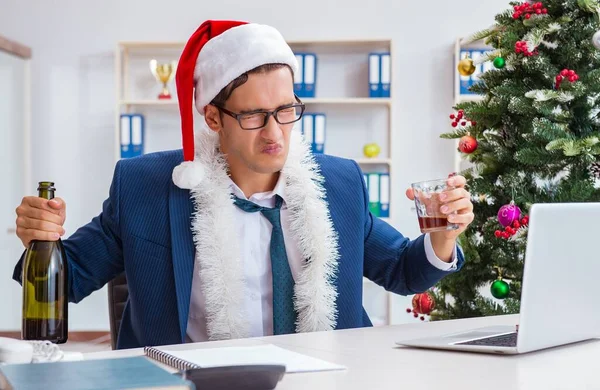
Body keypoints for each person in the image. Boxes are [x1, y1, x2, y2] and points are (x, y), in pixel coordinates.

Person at [12, 20, 474, 349]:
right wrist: (40, 240)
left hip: (324, 377)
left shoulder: (339, 182)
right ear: (213, 117)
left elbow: (402, 271)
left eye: (287, 110)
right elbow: (67, 279)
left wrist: (442, 236)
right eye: (254, 115)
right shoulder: (145, 187)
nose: (276, 134)